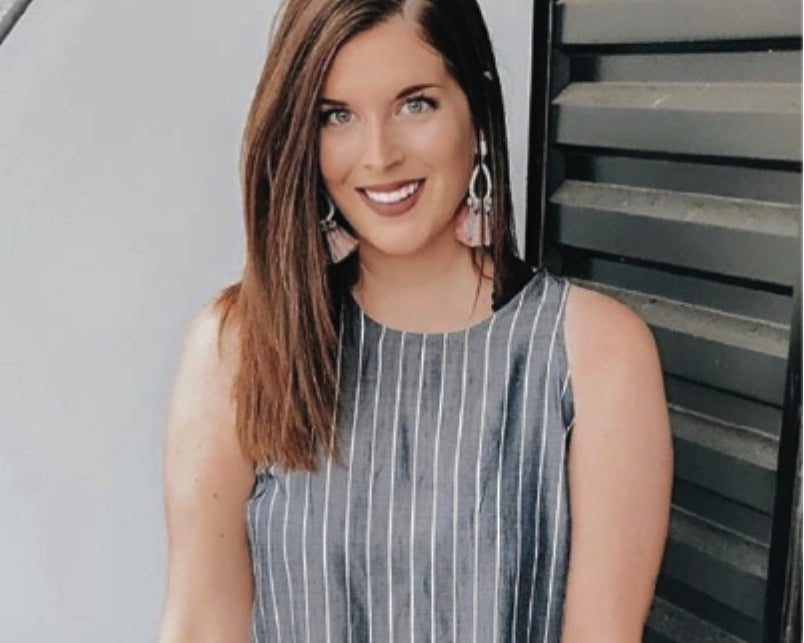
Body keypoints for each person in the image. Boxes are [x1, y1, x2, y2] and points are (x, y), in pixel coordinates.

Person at [158, 0, 673, 641]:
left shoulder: (597, 355)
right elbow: (201, 625)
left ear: (476, 109)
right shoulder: (238, 346)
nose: (379, 155)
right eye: (337, 115)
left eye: (416, 104)